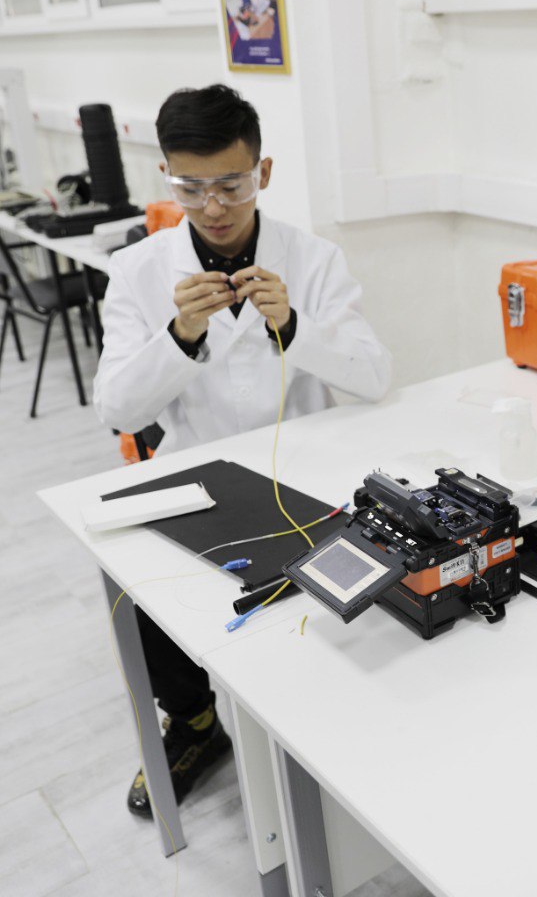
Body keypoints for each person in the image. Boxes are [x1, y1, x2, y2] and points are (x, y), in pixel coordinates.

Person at [94, 84, 392, 818]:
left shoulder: (314, 259)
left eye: (231, 184)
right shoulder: (138, 271)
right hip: (197, 473)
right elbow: (118, 410)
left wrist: (293, 327)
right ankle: (195, 724)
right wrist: (179, 336)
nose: (213, 206)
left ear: (264, 171)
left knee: (325, 619)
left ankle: (333, 732)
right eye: (190, 188)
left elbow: (374, 377)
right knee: (136, 591)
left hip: (307, 475)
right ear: (167, 177)